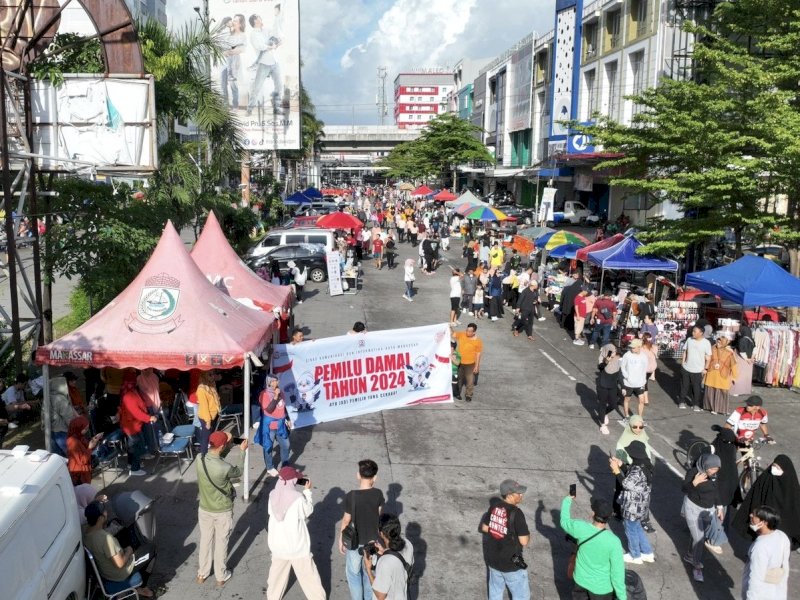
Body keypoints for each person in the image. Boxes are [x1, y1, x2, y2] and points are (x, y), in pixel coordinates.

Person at [266, 466, 326, 600]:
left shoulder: (272, 495)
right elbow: (308, 511)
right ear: (293, 480)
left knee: (276, 579)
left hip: (277, 545)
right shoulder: (297, 498)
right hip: (297, 547)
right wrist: (307, 492)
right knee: (310, 579)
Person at [196, 431, 247, 587]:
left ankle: (202, 574)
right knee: (221, 543)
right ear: (223, 446)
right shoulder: (224, 467)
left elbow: (217, 455)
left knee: (205, 541)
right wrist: (242, 452)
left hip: (205, 508)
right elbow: (238, 471)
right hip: (222, 510)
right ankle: (220, 576)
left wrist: (228, 444)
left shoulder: (199, 459)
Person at [560, 495, 626, 600]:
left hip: (580, 582)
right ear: (608, 518)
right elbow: (617, 573)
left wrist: (567, 500)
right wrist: (622, 597)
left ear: (593, 513)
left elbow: (564, 521)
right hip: (602, 590)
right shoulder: (614, 541)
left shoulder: (580, 528)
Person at [83, 501, 154, 597]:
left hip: (104, 569)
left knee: (125, 532)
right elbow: (120, 564)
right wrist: (129, 551)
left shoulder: (85, 532)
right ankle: (142, 587)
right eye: (105, 512)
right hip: (119, 574)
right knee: (151, 548)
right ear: (100, 518)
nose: (106, 513)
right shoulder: (105, 538)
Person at [340, 459, 385, 600]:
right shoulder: (378, 494)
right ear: (375, 477)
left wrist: (341, 539)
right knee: (369, 573)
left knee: (354, 575)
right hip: (372, 543)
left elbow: (346, 520)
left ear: (358, 475)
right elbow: (379, 516)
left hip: (354, 543)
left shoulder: (351, 496)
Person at [733, 455, 800, 550]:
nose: (774, 469)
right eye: (774, 465)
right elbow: (755, 497)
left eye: (777, 467)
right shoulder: (766, 478)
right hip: (764, 521)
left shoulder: (791, 486)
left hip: (781, 526)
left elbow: (794, 508)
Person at [480, 479, 531, 600]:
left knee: (495, 592)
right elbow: (524, 541)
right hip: (512, 563)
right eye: (518, 493)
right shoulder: (517, 513)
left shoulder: (494, 507)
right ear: (509, 495)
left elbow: (485, 528)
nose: (521, 495)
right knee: (521, 596)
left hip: (493, 560)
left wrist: (500, 529)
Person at [681, 453, 725, 582]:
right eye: (711, 469)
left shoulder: (715, 475)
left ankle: (690, 555)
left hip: (708, 510)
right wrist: (695, 482)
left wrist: (720, 507)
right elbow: (684, 488)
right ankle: (697, 566)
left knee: (698, 535)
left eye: (716, 469)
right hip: (693, 508)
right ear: (704, 465)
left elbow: (716, 491)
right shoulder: (694, 472)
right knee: (699, 538)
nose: (713, 472)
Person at [610, 441, 655, 564]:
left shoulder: (637, 470)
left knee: (630, 530)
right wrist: (621, 465)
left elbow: (626, 483)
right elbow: (631, 471)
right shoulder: (645, 464)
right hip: (641, 505)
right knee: (637, 528)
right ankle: (647, 552)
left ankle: (635, 555)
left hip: (632, 506)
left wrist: (616, 470)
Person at [614, 415, 655, 533]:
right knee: (622, 491)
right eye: (635, 426)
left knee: (645, 497)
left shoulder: (643, 436)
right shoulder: (623, 440)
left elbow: (647, 454)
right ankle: (619, 512)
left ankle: (644, 520)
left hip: (642, 470)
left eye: (641, 426)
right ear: (630, 426)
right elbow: (621, 456)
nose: (638, 429)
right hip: (629, 469)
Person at [741, 505, 791, 600]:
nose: (750, 515)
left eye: (755, 516)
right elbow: (785, 566)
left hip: (761, 594)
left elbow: (756, 577)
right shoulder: (782, 536)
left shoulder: (760, 547)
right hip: (777, 592)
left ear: (763, 522)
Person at [365, 513, 415, 600]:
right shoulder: (408, 544)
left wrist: (368, 569)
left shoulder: (385, 562)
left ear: (381, 533)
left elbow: (380, 596)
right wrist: (385, 551)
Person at [119, 372, 157, 476]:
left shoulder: (131, 392)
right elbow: (136, 412)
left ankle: (131, 464)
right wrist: (149, 418)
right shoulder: (128, 395)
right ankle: (135, 469)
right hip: (131, 426)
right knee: (137, 446)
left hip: (133, 425)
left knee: (133, 446)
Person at [245, 14, 282, 116]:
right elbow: (260, 46)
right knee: (257, 88)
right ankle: (249, 109)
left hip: (275, 62)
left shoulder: (266, 30)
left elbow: (275, 35)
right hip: (264, 63)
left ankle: (276, 108)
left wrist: (278, 41)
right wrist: (271, 46)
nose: (261, 18)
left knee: (279, 85)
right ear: (256, 21)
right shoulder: (253, 34)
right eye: (259, 17)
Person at [255, 376, 291, 477]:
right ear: (268, 383)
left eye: (276, 380)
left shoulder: (281, 393)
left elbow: (283, 407)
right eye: (273, 381)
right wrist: (275, 397)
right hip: (269, 426)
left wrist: (288, 419)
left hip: (281, 425)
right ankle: (270, 467)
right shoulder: (264, 394)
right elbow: (268, 410)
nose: (276, 382)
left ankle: (285, 464)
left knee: (286, 445)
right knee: (268, 447)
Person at [678, 325, 712, 411]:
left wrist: (706, 369)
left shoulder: (706, 343)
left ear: (701, 333)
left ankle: (695, 404)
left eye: (695, 331)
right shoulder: (689, 340)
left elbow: (708, 357)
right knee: (684, 386)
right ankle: (681, 401)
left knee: (696, 388)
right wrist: (682, 363)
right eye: (693, 331)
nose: (692, 333)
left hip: (698, 370)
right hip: (686, 368)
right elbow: (685, 351)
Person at [703, 333, 738, 415]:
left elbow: (733, 365)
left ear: (725, 343)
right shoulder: (712, 349)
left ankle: (721, 409)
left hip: (723, 376)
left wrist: (734, 377)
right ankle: (711, 408)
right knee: (711, 391)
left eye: (720, 342)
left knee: (722, 392)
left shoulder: (729, 353)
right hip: (711, 374)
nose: (718, 343)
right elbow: (707, 360)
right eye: (718, 341)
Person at [67, 415, 103, 485]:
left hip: (84, 470)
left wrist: (94, 439)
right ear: (78, 428)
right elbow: (82, 460)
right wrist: (90, 448)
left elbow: (86, 446)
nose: (87, 430)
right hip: (79, 474)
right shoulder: (72, 442)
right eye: (85, 429)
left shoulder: (80, 436)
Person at [619, 339, 649, 423]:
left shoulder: (644, 356)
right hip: (628, 383)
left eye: (633, 347)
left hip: (640, 383)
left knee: (641, 400)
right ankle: (627, 416)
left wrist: (643, 380)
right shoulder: (627, 355)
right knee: (626, 400)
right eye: (631, 347)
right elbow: (623, 367)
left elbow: (645, 369)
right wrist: (627, 376)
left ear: (639, 347)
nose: (631, 349)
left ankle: (640, 418)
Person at [453, 323, 483, 403]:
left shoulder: (478, 341)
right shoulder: (462, 334)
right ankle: (457, 393)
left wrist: (477, 366)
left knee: (470, 381)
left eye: (470, 331)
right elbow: (453, 334)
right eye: (467, 330)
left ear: (474, 332)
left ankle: (468, 395)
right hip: (459, 362)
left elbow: (478, 354)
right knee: (459, 379)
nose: (467, 332)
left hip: (470, 364)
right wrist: (449, 327)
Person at [597, 344, 621, 435]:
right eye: (611, 351)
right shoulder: (602, 358)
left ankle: (604, 413)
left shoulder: (619, 358)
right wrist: (606, 361)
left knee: (614, 404)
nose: (613, 352)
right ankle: (602, 425)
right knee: (602, 404)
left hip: (613, 385)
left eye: (614, 350)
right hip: (602, 385)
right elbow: (600, 367)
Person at [196, 371, 222, 454]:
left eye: (213, 374)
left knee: (211, 437)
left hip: (213, 415)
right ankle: (203, 457)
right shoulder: (201, 389)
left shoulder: (211, 385)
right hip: (206, 417)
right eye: (210, 374)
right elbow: (204, 407)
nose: (213, 376)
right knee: (205, 438)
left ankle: (210, 454)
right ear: (204, 376)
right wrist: (208, 421)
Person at [732, 325, 755, 397]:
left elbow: (742, 351)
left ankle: (737, 391)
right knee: (747, 376)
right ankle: (745, 390)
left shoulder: (742, 339)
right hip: (749, 361)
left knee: (739, 375)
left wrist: (746, 359)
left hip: (742, 360)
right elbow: (755, 350)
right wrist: (751, 358)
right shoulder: (752, 339)